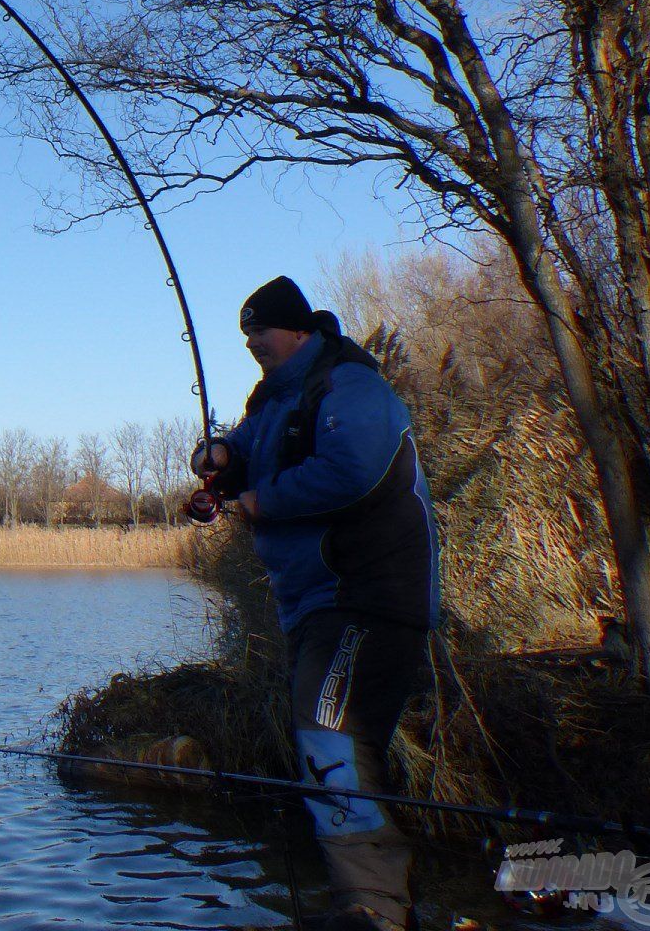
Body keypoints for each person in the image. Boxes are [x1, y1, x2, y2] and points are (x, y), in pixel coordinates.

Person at [193, 275, 440, 931]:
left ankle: (375, 910)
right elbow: (242, 453)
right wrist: (219, 458)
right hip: (314, 604)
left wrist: (256, 501)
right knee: (340, 743)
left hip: (365, 597)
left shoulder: (349, 386)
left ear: (298, 329)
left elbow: (351, 471)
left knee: (326, 735)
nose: (252, 344)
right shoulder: (272, 403)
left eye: (261, 332)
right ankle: (383, 900)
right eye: (244, 335)